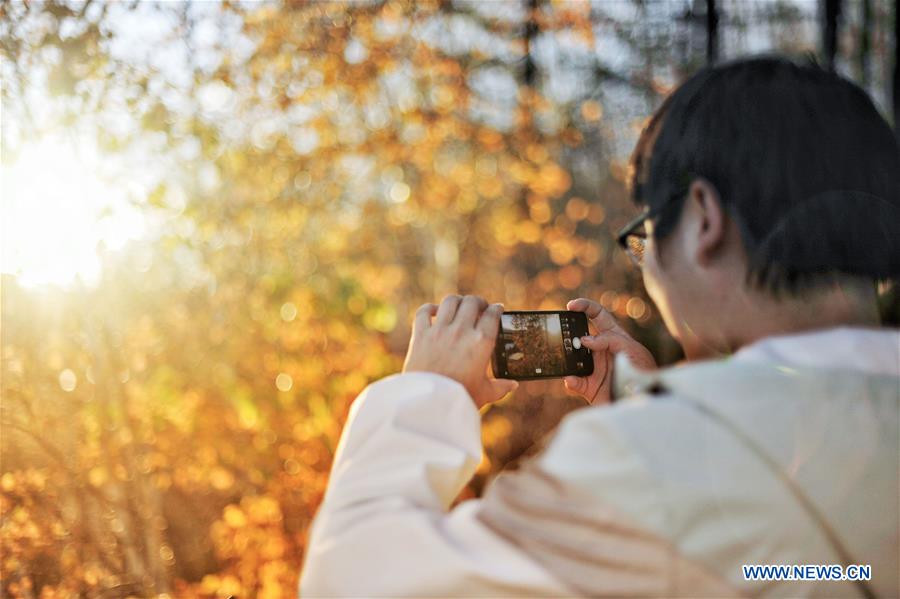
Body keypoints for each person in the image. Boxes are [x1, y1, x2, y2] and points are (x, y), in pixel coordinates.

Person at [299, 56, 899, 597]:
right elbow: (810, 570)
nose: (647, 270)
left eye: (644, 237)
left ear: (702, 219)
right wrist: (653, 402)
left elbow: (349, 582)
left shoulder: (652, 462)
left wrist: (427, 395)